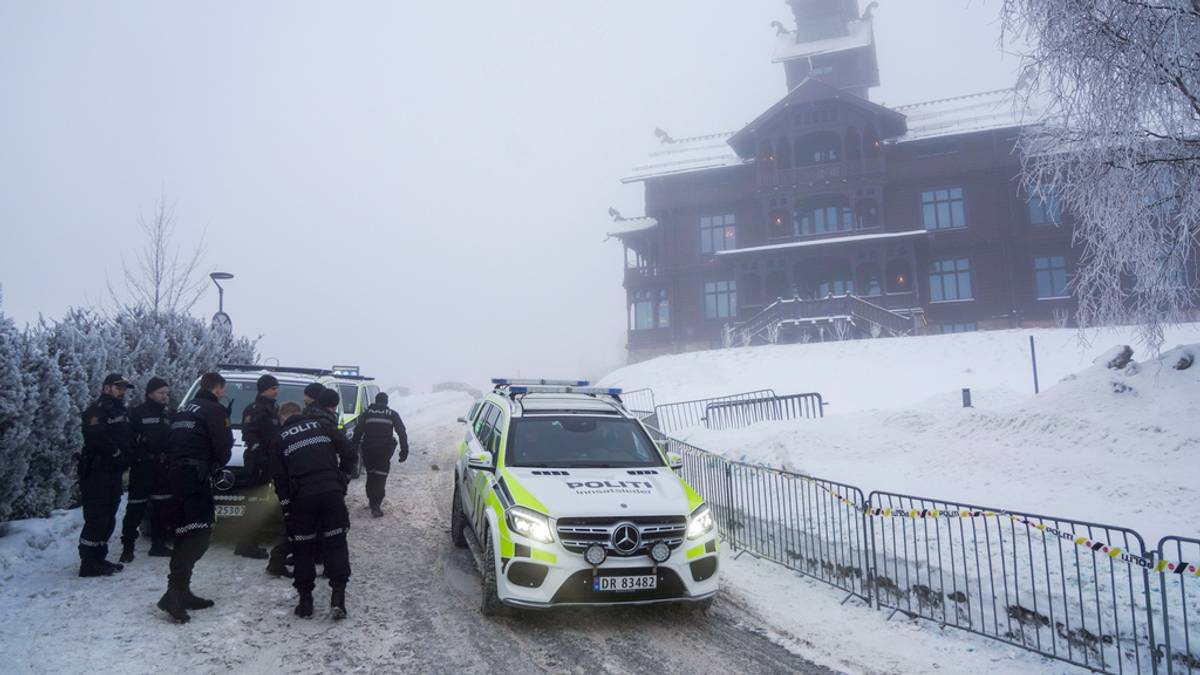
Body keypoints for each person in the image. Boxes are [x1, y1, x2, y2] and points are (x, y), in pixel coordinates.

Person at [270, 388, 356, 619]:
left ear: (283, 418)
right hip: (331, 493)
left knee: (303, 548)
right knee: (336, 543)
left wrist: (287, 508)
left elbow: (280, 480)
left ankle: (305, 603)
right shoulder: (323, 427)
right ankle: (338, 599)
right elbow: (350, 453)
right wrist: (342, 479)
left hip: (302, 499)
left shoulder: (280, 439)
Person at [157, 372, 233, 624]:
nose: (223, 392)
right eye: (223, 388)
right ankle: (174, 593)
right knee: (199, 534)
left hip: (175, 475)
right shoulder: (214, 410)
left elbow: (169, 442)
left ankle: (182, 590)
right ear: (218, 388)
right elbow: (223, 446)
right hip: (194, 477)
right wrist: (215, 463)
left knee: (184, 533)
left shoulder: (184, 410)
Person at [77, 374, 134, 577]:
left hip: (113, 471)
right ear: (107, 387)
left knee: (109, 514)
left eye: (124, 388)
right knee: (97, 515)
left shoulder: (120, 409)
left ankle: (99, 557)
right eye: (119, 388)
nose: (122, 392)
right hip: (97, 471)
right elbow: (95, 436)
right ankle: (88, 562)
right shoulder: (97, 410)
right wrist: (116, 452)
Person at [120, 377, 174, 562]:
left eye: (166, 393)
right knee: (136, 508)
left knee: (161, 509)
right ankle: (127, 548)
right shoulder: (137, 413)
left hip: (162, 468)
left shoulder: (168, 414)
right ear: (150, 394)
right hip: (142, 467)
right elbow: (127, 439)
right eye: (161, 393)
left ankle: (158, 546)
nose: (164, 396)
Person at [233, 374, 279, 560]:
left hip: (267, 461)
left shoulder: (272, 408)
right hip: (257, 462)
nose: (276, 391)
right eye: (273, 388)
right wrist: (260, 454)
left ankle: (249, 542)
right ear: (264, 389)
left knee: (259, 502)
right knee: (254, 502)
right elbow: (249, 434)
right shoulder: (255, 409)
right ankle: (246, 544)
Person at [351, 392, 409, 518]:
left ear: (375, 401)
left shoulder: (366, 414)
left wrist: (353, 448)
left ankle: (372, 502)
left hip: (368, 449)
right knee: (381, 476)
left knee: (371, 475)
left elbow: (358, 431)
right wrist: (404, 450)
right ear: (386, 402)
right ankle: (376, 504)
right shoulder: (392, 414)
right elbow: (402, 432)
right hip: (384, 451)